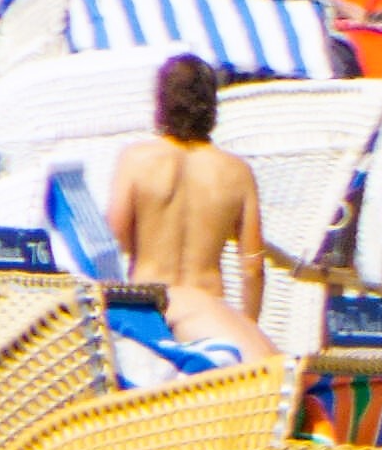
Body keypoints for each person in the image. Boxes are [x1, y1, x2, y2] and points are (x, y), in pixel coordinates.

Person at [98, 54, 268, 353]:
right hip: (208, 311)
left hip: (150, 307)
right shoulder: (237, 172)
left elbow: (114, 240)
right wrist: (246, 324)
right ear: (212, 105)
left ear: (162, 102)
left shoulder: (136, 160)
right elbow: (252, 267)